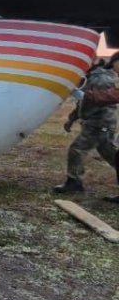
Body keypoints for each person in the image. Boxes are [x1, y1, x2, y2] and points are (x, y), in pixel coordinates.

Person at [55, 53, 119, 196]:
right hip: (100, 123)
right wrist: (72, 118)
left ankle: (74, 182)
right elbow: (84, 102)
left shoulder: (101, 78)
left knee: (77, 149)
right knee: (113, 156)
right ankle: (74, 181)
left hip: (99, 122)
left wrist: (87, 96)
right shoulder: (90, 77)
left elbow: (105, 99)